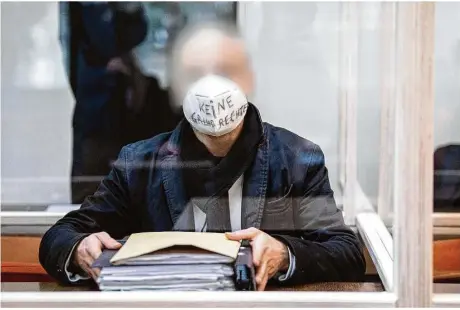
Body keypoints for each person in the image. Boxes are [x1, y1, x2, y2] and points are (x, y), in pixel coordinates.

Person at [40, 23, 366, 290]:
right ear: (176, 86)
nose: (212, 86)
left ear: (248, 79)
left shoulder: (296, 159)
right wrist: (80, 249)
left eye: (226, 70)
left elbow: (345, 252)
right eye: (196, 73)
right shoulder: (139, 164)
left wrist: (284, 255)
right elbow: (61, 237)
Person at [60, 2, 148, 204]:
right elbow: (101, 40)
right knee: (93, 192)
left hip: (119, 114)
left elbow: (136, 32)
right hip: (97, 111)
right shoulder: (87, 13)